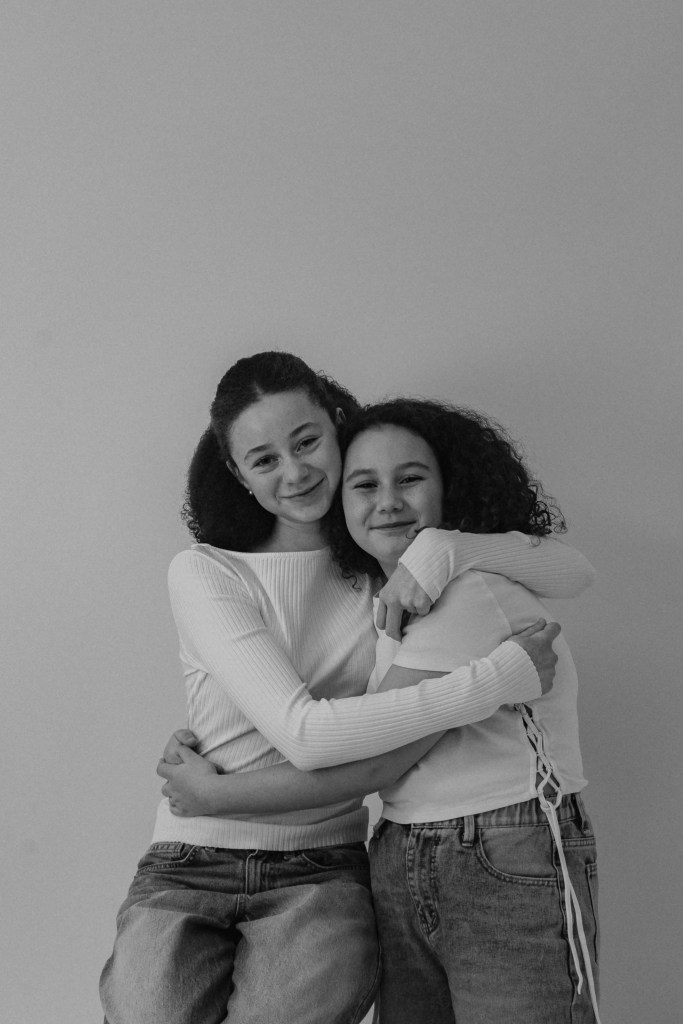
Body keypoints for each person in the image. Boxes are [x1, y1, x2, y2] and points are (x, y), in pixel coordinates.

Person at [101, 352, 594, 1024]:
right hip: (193, 855)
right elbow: (305, 733)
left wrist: (450, 548)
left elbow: (573, 573)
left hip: (323, 861)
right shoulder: (208, 571)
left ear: (336, 425)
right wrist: (493, 682)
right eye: (263, 460)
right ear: (238, 474)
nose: (295, 472)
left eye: (306, 442)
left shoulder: (385, 564)